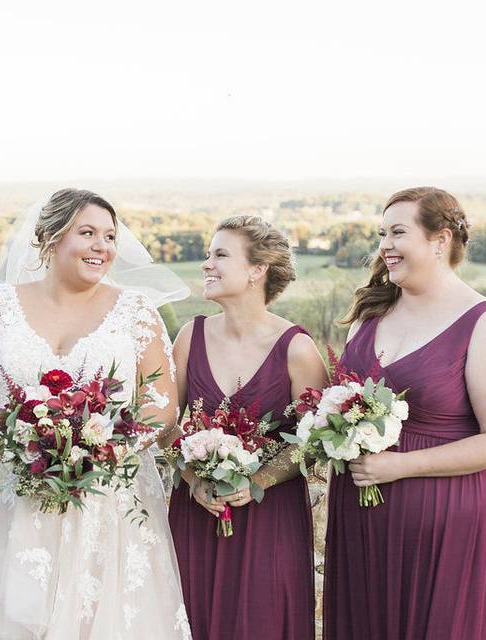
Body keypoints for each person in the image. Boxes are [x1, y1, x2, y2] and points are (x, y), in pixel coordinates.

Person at [0, 188, 193, 639]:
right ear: (51, 238)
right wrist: (16, 446)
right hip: (16, 492)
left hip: (108, 499)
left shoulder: (136, 311)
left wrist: (102, 453)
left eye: (110, 237)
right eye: (88, 233)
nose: (103, 247)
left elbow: (160, 404)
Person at [324, 187, 486, 639]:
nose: (385, 245)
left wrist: (401, 465)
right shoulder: (370, 314)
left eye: (399, 232)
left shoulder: (484, 323)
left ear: (439, 241)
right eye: (382, 233)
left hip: (450, 520)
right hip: (365, 518)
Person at [167, 215, 326, 639]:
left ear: (258, 269)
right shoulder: (189, 336)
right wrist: (192, 479)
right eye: (207, 255)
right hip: (196, 510)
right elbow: (164, 427)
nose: (206, 264)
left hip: (269, 517)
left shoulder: (296, 348)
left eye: (220, 255)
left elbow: (315, 440)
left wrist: (256, 478)